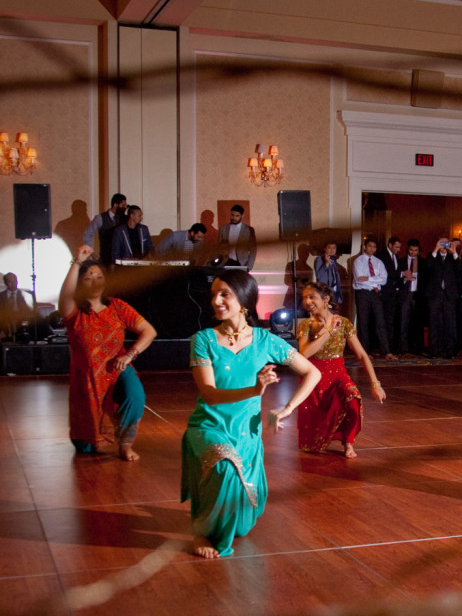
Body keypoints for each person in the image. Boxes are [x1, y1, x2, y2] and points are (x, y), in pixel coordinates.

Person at [181, 269, 319, 558]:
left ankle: (221, 521)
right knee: (224, 466)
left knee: (241, 525)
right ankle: (200, 532)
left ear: (243, 300)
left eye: (224, 294)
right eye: (214, 295)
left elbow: (312, 372)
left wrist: (286, 409)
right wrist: (255, 390)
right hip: (209, 426)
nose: (216, 301)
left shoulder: (265, 341)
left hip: (246, 433)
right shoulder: (203, 340)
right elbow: (209, 393)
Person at [58, 245, 157, 459]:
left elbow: (149, 331)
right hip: (88, 379)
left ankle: (126, 445)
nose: (95, 283)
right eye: (88, 279)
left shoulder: (117, 306)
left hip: (117, 368)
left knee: (135, 395)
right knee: (85, 447)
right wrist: (77, 262)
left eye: (99, 277)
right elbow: (65, 295)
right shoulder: (74, 311)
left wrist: (130, 355)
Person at [296, 281, 385, 458]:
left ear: (326, 299)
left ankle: (348, 442)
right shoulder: (306, 325)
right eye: (305, 297)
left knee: (353, 401)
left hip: (338, 374)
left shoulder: (343, 323)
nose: (307, 301)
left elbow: (361, 355)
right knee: (313, 442)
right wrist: (328, 331)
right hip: (314, 378)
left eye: (311, 297)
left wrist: (375, 384)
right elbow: (304, 353)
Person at [351, 236, 394, 359]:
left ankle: (386, 351)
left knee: (380, 321)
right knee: (363, 322)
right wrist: (375, 281)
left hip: (375, 294)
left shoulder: (378, 262)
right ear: (364, 247)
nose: (372, 249)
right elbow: (359, 280)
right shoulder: (358, 261)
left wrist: (369, 279)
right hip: (363, 293)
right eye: (369, 246)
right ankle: (365, 352)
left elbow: (384, 279)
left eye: (374, 247)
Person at [426, 237, 460, 358]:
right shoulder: (432, 256)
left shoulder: (453, 257)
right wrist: (436, 248)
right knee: (434, 323)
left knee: (450, 324)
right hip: (435, 295)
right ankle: (434, 350)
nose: (444, 245)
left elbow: (460, 270)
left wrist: (454, 251)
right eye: (442, 243)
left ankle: (450, 351)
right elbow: (428, 266)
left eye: (446, 243)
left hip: (449, 295)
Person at [83, 193, 126, 266]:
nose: (125, 208)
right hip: (106, 260)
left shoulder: (124, 219)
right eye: (123, 205)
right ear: (115, 205)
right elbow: (88, 234)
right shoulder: (100, 218)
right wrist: (91, 252)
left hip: (122, 259)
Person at [219, 205, 257, 270]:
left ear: (242, 216)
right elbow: (219, 247)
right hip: (226, 263)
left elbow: (253, 250)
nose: (234, 218)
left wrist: (249, 266)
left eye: (237, 216)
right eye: (232, 215)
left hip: (242, 264)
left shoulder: (249, 230)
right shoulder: (223, 229)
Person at [313, 240, 347, 307]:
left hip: (334, 292)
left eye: (334, 248)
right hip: (324, 291)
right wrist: (326, 263)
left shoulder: (334, 261)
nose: (332, 250)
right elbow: (319, 276)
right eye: (329, 248)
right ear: (325, 249)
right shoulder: (319, 259)